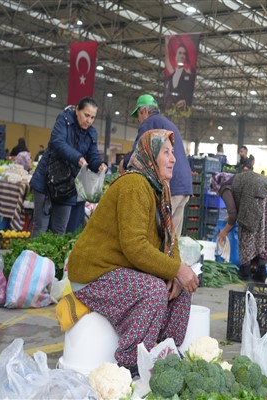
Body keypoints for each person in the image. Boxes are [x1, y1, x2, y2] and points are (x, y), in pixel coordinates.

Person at [67, 129, 199, 376]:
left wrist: (177, 271)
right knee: (154, 290)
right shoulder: (134, 184)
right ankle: (130, 365)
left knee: (182, 289)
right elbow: (135, 246)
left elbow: (171, 241)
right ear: (149, 155)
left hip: (122, 269)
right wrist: (175, 270)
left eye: (174, 153)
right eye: (166, 153)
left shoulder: (159, 189)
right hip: (95, 273)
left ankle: (163, 353)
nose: (173, 159)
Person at [30, 97, 107, 237]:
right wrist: (77, 158)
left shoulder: (91, 133)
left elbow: (93, 154)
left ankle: (53, 260)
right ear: (77, 110)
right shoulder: (63, 119)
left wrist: (100, 165)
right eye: (86, 115)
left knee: (59, 232)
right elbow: (57, 142)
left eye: (93, 117)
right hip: (46, 181)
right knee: (40, 229)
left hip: (68, 187)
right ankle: (34, 259)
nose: (89, 120)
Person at [123, 94, 192, 237]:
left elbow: (138, 151)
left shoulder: (149, 123)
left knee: (155, 236)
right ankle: (171, 260)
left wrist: (123, 162)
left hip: (171, 186)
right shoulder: (167, 123)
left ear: (144, 111)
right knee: (172, 240)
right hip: (184, 186)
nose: (139, 121)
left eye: (138, 115)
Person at [211, 171, 267, 281]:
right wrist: (230, 218)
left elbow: (233, 214)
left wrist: (224, 232)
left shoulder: (224, 187)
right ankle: (261, 270)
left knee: (246, 231)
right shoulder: (234, 180)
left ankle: (245, 272)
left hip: (253, 193)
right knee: (263, 231)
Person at [165, 41, 196, 112]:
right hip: (170, 111)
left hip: (182, 111)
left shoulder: (189, 77)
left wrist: (185, 101)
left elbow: (189, 94)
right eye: (180, 53)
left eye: (184, 54)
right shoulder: (169, 78)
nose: (182, 56)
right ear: (175, 56)